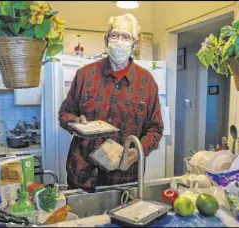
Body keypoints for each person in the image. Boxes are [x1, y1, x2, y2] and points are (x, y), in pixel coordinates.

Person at [59, 13, 164, 192]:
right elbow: (65, 114)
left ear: (134, 44)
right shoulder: (85, 75)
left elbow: (155, 130)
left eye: (126, 37)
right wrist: (76, 122)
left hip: (124, 180)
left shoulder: (147, 82)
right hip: (81, 175)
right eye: (115, 35)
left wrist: (137, 152)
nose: (119, 41)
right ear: (106, 39)